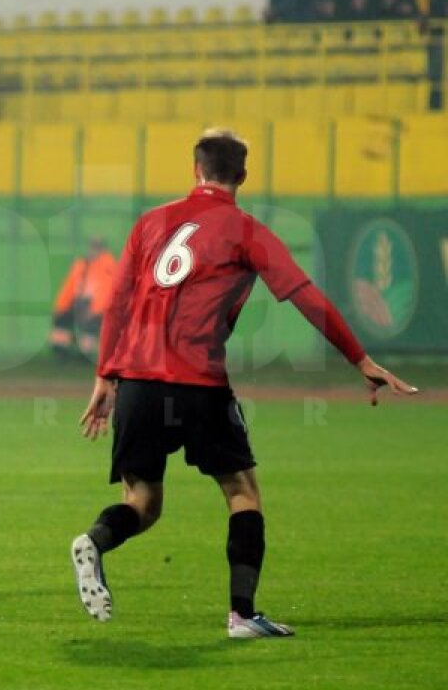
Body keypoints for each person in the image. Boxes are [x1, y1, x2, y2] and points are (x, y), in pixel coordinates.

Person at [69, 130, 418, 639]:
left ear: (196, 169)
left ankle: (95, 542)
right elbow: (305, 296)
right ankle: (242, 615)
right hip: (197, 382)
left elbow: (118, 303)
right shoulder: (244, 230)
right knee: (241, 491)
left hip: (137, 382)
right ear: (244, 176)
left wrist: (106, 373)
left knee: (141, 501)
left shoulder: (149, 224)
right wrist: (359, 358)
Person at [50, 236, 116, 361]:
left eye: (97, 247)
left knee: (91, 325)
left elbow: (106, 292)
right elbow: (68, 288)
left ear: (103, 250)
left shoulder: (108, 267)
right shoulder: (81, 265)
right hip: (78, 304)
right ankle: (62, 353)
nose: (93, 250)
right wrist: (61, 306)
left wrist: (94, 311)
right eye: (92, 247)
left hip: (97, 308)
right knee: (61, 319)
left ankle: (85, 354)